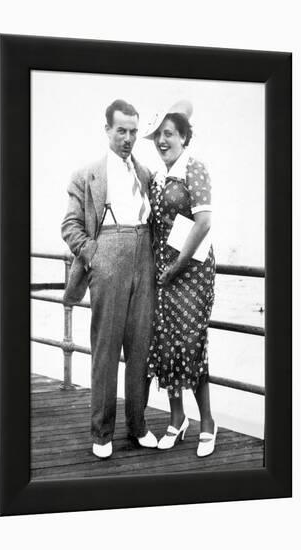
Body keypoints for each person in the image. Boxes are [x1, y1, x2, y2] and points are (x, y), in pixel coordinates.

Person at [61, 99, 157, 459]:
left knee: (140, 348)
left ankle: (137, 426)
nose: (128, 138)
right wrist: (94, 254)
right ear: (107, 131)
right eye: (121, 131)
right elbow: (69, 226)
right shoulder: (86, 175)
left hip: (143, 254)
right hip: (108, 256)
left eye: (133, 132)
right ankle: (101, 432)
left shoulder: (145, 174)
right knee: (105, 349)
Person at [144, 100, 217, 457]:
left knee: (191, 343)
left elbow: (203, 223)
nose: (162, 140)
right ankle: (177, 419)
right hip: (164, 272)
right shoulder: (158, 177)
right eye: (158, 135)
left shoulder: (194, 168)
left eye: (169, 134)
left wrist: (176, 267)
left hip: (192, 272)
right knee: (166, 343)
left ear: (184, 137)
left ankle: (208, 422)